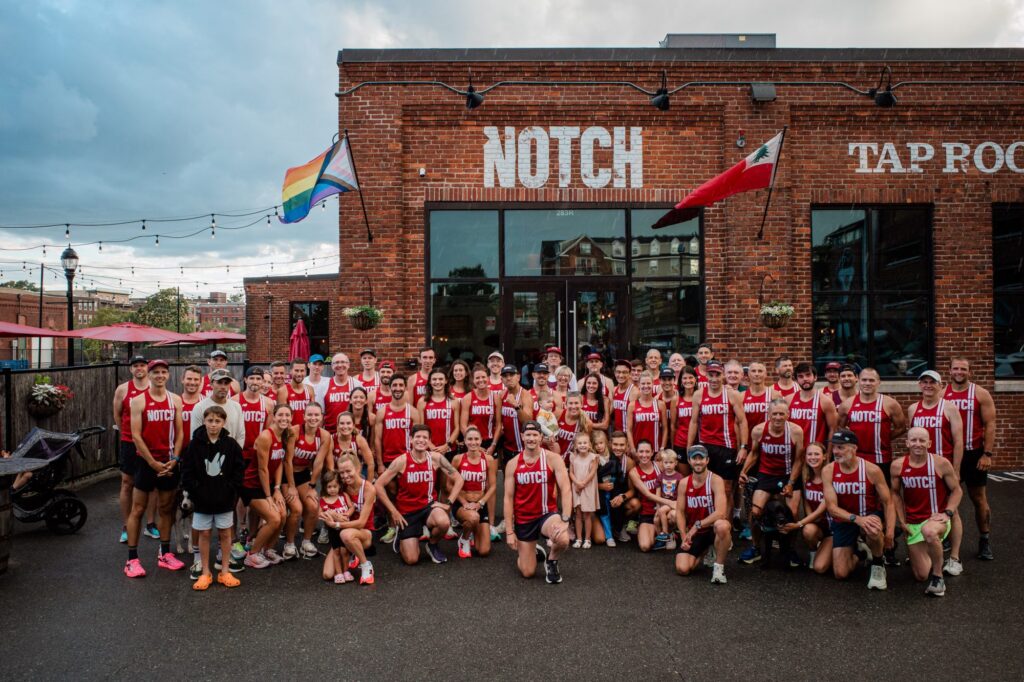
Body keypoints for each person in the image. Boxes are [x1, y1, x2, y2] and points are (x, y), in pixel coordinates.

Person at [124, 359, 184, 578]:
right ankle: (132, 560)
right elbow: (136, 435)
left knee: (166, 508)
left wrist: (175, 459)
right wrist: (152, 463)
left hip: (168, 462)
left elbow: (180, 432)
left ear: (168, 375)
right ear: (149, 375)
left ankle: (165, 554)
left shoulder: (175, 400)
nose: (160, 375)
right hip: (146, 462)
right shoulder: (139, 401)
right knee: (138, 509)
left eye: (163, 372)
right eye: (156, 372)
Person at [374, 424, 464, 565]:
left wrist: (449, 503)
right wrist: (394, 512)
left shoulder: (436, 458)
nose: (421, 440)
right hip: (407, 512)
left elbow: (459, 479)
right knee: (411, 559)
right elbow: (378, 485)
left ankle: (432, 544)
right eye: (418, 437)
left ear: (429, 441)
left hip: (428, 507)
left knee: (444, 521)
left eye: (425, 438)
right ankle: (402, 535)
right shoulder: (401, 461)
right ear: (411, 439)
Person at [890, 427, 962, 597]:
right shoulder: (897, 466)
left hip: (935, 519)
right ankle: (930, 551)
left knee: (929, 532)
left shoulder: (941, 463)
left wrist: (948, 513)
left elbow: (957, 490)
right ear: (907, 443)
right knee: (921, 575)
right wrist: (902, 521)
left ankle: (938, 578)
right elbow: (895, 494)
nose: (918, 444)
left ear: (929, 443)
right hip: (913, 522)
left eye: (922, 440)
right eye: (914, 440)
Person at [180, 405, 245, 590]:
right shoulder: (194, 445)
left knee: (225, 533)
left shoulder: (231, 445)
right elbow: (187, 471)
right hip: (202, 500)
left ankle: (224, 571)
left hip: (224, 499)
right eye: (210, 420)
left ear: (224, 422)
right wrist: (196, 491)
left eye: (218, 421)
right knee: (205, 533)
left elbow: (239, 470)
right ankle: (205, 572)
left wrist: (230, 490)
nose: (213, 424)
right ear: (204, 421)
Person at [822, 429, 895, 590]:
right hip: (845, 520)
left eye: (841, 447)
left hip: (868, 516)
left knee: (872, 527)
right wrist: (856, 519)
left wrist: (889, 532)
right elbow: (832, 508)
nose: (835, 451)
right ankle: (860, 552)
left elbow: (888, 502)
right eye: (834, 447)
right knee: (841, 573)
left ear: (854, 448)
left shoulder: (872, 470)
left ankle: (878, 564)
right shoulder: (828, 470)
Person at [908, 369, 965, 574]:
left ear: (941, 385)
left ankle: (955, 558)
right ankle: (923, 550)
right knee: (922, 508)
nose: (928, 385)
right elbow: (912, 438)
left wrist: (956, 469)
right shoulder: (913, 409)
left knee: (952, 510)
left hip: (944, 468)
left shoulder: (949, 407)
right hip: (921, 467)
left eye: (932, 382)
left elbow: (958, 441)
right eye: (924, 382)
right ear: (919, 385)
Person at [503, 421, 572, 584]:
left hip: (546, 514)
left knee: (563, 538)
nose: (531, 438)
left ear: (541, 437)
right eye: (528, 435)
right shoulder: (513, 464)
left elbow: (566, 489)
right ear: (522, 436)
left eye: (535, 435)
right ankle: (532, 550)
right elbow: (508, 498)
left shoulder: (553, 459)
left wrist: (565, 520)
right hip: (524, 519)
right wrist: (509, 531)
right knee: (527, 572)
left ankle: (551, 560)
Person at [738, 399, 805, 565]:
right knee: (755, 512)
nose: (778, 417)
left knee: (792, 513)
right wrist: (743, 472)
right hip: (767, 474)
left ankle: (790, 549)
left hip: (788, 474)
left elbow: (799, 460)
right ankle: (755, 547)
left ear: (788, 414)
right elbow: (754, 454)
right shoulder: (758, 430)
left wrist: (791, 483)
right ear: (768, 414)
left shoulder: (796, 431)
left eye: (782, 414)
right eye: (774, 414)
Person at [944, 357, 997, 561]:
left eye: (963, 369)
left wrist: (987, 454)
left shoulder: (980, 393)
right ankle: (946, 537)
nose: (959, 372)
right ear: (949, 371)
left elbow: (990, 424)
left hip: (974, 454)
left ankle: (984, 540)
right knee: (947, 499)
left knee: (978, 498)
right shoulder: (942, 394)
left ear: (970, 372)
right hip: (949, 455)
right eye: (955, 368)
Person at [687, 360, 748, 505]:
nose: (714, 378)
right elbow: (694, 422)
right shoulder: (698, 395)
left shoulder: (732, 395)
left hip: (726, 447)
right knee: (706, 487)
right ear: (706, 376)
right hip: (705, 446)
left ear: (723, 376)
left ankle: (727, 519)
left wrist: (743, 447)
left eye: (717, 375)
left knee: (727, 489)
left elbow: (742, 421)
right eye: (711, 374)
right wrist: (689, 446)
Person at [240, 404, 291, 569]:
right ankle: (252, 554)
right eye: (280, 415)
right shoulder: (266, 436)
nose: (284, 418)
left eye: (287, 415)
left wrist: (277, 488)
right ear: (274, 417)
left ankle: (267, 549)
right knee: (274, 518)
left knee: (283, 514)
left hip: (268, 485)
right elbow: (262, 469)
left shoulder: (284, 435)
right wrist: (269, 496)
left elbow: (279, 463)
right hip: (252, 485)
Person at [674, 445, 731, 583]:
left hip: (712, 528)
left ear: (707, 460)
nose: (698, 462)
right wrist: (683, 536)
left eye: (701, 458)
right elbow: (680, 512)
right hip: (697, 533)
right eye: (695, 458)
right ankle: (706, 550)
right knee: (683, 569)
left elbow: (721, 513)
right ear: (689, 461)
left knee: (722, 526)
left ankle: (718, 569)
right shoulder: (683, 483)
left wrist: (697, 525)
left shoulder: (715, 480)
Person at [374, 374, 419, 545]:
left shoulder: (413, 412)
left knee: (408, 494)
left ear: (405, 388)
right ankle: (392, 526)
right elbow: (377, 439)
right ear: (390, 387)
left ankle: (412, 525)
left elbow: (418, 439)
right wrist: (379, 464)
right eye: (395, 385)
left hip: (407, 460)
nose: (398, 388)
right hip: (388, 460)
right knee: (390, 493)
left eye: (401, 385)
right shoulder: (382, 411)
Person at [837, 368, 907, 476]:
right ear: (858, 380)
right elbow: (839, 427)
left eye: (871, 380)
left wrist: (884, 438)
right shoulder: (847, 404)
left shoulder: (890, 404)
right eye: (864, 380)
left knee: (881, 486)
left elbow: (901, 428)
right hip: (855, 456)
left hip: (881, 457)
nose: (867, 383)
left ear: (878, 382)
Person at [284, 402, 331, 559]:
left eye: (316, 415)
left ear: (321, 417)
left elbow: (318, 462)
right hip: (286, 474)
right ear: (304, 416)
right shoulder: (294, 431)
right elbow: (287, 461)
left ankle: (306, 542)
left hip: (303, 474)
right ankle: (289, 544)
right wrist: (291, 486)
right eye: (309, 414)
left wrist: (312, 486)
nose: (313, 418)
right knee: (296, 509)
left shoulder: (324, 436)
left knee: (313, 506)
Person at [112, 355, 150, 543]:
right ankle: (127, 525)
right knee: (127, 482)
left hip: (150, 442)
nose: (139, 368)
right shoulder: (123, 389)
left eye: (142, 365)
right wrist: (128, 433)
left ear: (147, 368)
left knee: (152, 485)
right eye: (136, 365)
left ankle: (151, 524)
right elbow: (117, 415)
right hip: (129, 441)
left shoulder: (154, 387)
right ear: (131, 369)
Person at [782, 441, 832, 574]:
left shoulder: (830, 476)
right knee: (808, 530)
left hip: (833, 528)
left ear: (824, 456)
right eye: (809, 454)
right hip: (818, 525)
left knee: (824, 568)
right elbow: (806, 502)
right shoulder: (806, 476)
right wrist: (810, 520)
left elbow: (822, 508)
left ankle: (856, 551)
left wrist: (798, 524)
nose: (813, 457)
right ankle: (814, 553)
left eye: (817, 454)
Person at [451, 426, 497, 559]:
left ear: (481, 440)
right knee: (472, 517)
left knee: (484, 551)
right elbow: (449, 485)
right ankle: (464, 539)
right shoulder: (458, 459)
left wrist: (480, 503)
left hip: (479, 505)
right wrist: (464, 502)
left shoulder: (488, 459)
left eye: (476, 439)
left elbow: (493, 486)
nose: (473, 442)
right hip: (462, 505)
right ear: (465, 441)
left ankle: (473, 530)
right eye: (470, 439)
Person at [335, 453, 376, 584]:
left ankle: (366, 565)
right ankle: (355, 552)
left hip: (365, 532)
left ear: (358, 468)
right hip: (347, 530)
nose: (345, 476)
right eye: (342, 473)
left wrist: (337, 524)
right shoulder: (343, 486)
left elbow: (361, 523)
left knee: (346, 534)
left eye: (348, 471)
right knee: (328, 573)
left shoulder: (368, 489)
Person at [317, 470, 354, 583]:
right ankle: (338, 573)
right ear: (325, 487)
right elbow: (319, 513)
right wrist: (328, 514)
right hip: (333, 530)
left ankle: (346, 571)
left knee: (344, 551)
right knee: (336, 551)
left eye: (335, 486)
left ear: (339, 486)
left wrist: (347, 514)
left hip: (345, 528)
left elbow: (351, 507)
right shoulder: (323, 500)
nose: (332, 489)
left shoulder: (343, 496)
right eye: (329, 487)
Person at [789, 362, 838, 447]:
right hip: (793, 451)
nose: (805, 379)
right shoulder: (788, 400)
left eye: (808, 375)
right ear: (796, 380)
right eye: (800, 376)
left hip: (816, 452)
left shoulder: (826, 402)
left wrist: (828, 454)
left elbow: (833, 429)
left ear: (815, 377)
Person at [627, 441, 663, 552]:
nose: (644, 455)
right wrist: (671, 503)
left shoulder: (660, 466)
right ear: (637, 453)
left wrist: (671, 504)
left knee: (673, 515)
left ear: (652, 452)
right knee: (645, 546)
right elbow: (647, 494)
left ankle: (669, 532)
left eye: (647, 451)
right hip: (647, 512)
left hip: (663, 510)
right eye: (641, 451)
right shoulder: (634, 472)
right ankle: (655, 532)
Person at [418, 368, 460, 457]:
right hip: (428, 449)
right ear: (430, 382)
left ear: (446, 381)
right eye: (434, 379)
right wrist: (430, 446)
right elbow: (420, 428)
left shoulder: (454, 401)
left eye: (441, 379)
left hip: (449, 449)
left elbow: (457, 427)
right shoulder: (422, 401)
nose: (437, 382)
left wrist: (447, 445)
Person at [569, 431, 598, 549]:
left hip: (587, 487)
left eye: (585, 443)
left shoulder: (593, 457)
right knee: (578, 514)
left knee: (587, 514)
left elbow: (592, 473)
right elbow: (571, 472)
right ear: (576, 445)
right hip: (576, 487)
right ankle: (579, 538)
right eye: (580, 443)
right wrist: (577, 483)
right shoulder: (573, 457)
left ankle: (587, 539)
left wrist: (583, 484)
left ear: (589, 445)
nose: (582, 445)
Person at [608, 431, 638, 542]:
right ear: (610, 444)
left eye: (621, 445)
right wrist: (602, 486)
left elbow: (632, 490)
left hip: (618, 497)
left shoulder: (629, 463)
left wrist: (622, 497)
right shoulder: (603, 458)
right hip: (603, 497)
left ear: (627, 446)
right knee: (599, 539)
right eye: (615, 444)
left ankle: (621, 526)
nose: (618, 448)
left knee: (635, 504)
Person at [627, 371, 667, 453]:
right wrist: (633, 449)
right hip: (638, 450)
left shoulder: (660, 404)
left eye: (648, 383)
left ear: (653, 384)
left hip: (656, 450)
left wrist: (662, 449)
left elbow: (665, 429)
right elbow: (629, 430)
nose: (646, 386)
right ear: (639, 385)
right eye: (643, 383)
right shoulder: (632, 405)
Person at [654, 449, 684, 550]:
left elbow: (681, 495)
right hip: (663, 503)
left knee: (662, 511)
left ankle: (665, 533)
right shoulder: (660, 476)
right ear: (662, 463)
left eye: (671, 462)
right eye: (666, 462)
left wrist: (677, 506)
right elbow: (657, 495)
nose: (668, 465)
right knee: (655, 519)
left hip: (675, 503)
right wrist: (658, 507)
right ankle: (661, 540)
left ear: (676, 463)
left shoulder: (679, 477)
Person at [323, 353, 356, 435]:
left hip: (351, 433)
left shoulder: (356, 384)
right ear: (332, 366)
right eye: (336, 362)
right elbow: (320, 412)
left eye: (343, 362)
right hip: (329, 433)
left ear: (348, 364)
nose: (340, 365)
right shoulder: (324, 385)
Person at [671, 367, 697, 467]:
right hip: (681, 443)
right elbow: (673, 426)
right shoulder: (676, 399)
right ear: (680, 381)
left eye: (690, 377)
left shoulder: (700, 396)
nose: (688, 381)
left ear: (695, 379)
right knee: (683, 475)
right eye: (685, 378)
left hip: (698, 442)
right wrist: (673, 447)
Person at [555, 392, 589, 463]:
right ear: (565, 404)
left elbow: (586, 445)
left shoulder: (586, 422)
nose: (573, 406)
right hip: (553, 458)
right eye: (570, 403)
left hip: (571, 462)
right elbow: (548, 434)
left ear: (581, 404)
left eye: (576, 403)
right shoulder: (558, 414)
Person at [278, 359, 314, 426]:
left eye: (302, 371)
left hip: (307, 430)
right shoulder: (283, 391)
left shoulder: (310, 389)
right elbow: (283, 417)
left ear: (306, 372)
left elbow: (313, 414)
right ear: (290, 371)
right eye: (296, 370)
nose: (299, 374)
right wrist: (293, 431)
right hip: (289, 430)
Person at [742, 361, 775, 430]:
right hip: (748, 435)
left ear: (765, 374)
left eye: (760, 371)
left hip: (767, 435)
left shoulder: (774, 395)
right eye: (753, 371)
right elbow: (739, 422)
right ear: (749, 374)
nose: (756, 374)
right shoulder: (741, 396)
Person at [179, 365, 205, 449]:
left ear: (200, 381)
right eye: (189, 379)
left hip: (201, 449)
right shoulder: (175, 402)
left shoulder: (206, 403)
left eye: (196, 379)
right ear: (182, 379)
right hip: (180, 450)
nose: (192, 382)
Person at [610, 359, 636, 433]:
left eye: (624, 372)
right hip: (617, 433)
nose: (621, 375)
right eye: (618, 372)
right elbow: (610, 411)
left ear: (630, 374)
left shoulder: (634, 392)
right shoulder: (614, 390)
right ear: (615, 373)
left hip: (629, 434)